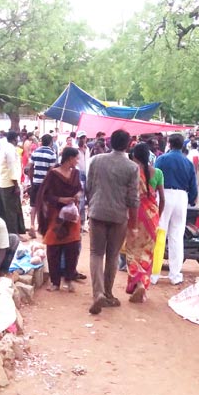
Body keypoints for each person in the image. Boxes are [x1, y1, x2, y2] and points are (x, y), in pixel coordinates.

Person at [86, 129, 139, 314]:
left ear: (109, 142)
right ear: (128, 144)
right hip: (119, 215)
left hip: (97, 211)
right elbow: (133, 199)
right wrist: (134, 224)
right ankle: (108, 293)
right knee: (113, 254)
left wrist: (91, 205)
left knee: (96, 253)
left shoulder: (96, 160)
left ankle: (98, 293)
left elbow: (89, 186)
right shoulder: (132, 167)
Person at [153, 133, 197, 286]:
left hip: (164, 195)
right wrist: (191, 199)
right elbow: (193, 186)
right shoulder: (187, 162)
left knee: (159, 234)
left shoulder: (162, 159)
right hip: (181, 197)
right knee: (176, 236)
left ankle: (154, 274)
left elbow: (154, 178)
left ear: (169, 144)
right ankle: (175, 275)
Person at [36, 147, 82, 292]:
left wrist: (77, 197)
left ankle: (68, 279)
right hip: (56, 216)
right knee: (54, 247)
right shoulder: (53, 174)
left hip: (71, 216)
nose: (77, 161)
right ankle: (55, 281)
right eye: (76, 158)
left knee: (72, 247)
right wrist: (61, 199)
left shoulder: (75, 173)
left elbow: (79, 189)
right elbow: (45, 195)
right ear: (69, 159)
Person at [125, 143, 164, 303]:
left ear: (134, 156)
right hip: (152, 215)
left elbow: (128, 196)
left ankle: (137, 282)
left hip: (135, 214)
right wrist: (158, 216)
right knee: (147, 252)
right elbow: (163, 198)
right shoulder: (158, 172)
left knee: (132, 250)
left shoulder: (132, 171)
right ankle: (143, 284)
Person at [0, 131, 25, 235]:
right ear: (15, 139)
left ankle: (6, 233)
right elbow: (12, 167)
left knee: (3, 210)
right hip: (9, 184)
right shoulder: (10, 150)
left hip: (2, 182)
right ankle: (13, 235)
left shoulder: (3, 148)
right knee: (11, 211)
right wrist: (16, 185)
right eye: (17, 138)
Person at [28, 133, 57, 237]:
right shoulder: (52, 154)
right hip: (46, 184)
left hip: (36, 182)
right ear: (50, 142)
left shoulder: (35, 152)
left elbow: (30, 168)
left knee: (34, 205)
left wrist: (32, 180)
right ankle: (45, 228)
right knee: (46, 205)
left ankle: (32, 226)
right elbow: (51, 171)